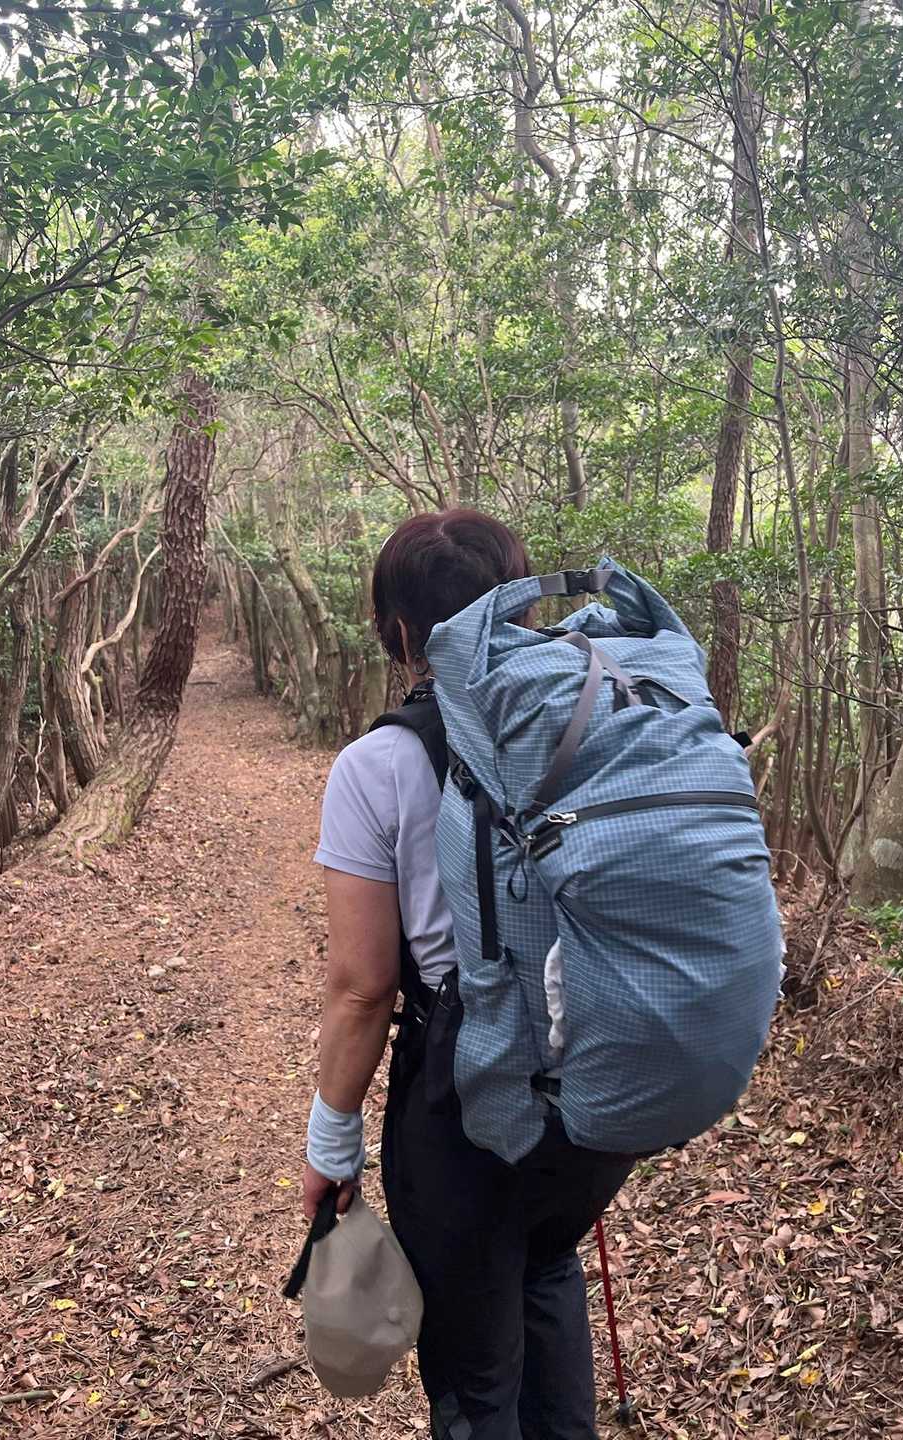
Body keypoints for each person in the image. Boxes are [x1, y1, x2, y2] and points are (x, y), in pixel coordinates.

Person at [303, 509, 638, 1439]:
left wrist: (332, 1142)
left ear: (400, 632)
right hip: (593, 1072)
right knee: (547, 1263)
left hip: (462, 1096)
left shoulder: (377, 766)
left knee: (475, 1368)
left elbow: (364, 987)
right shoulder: (596, 718)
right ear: (522, 608)